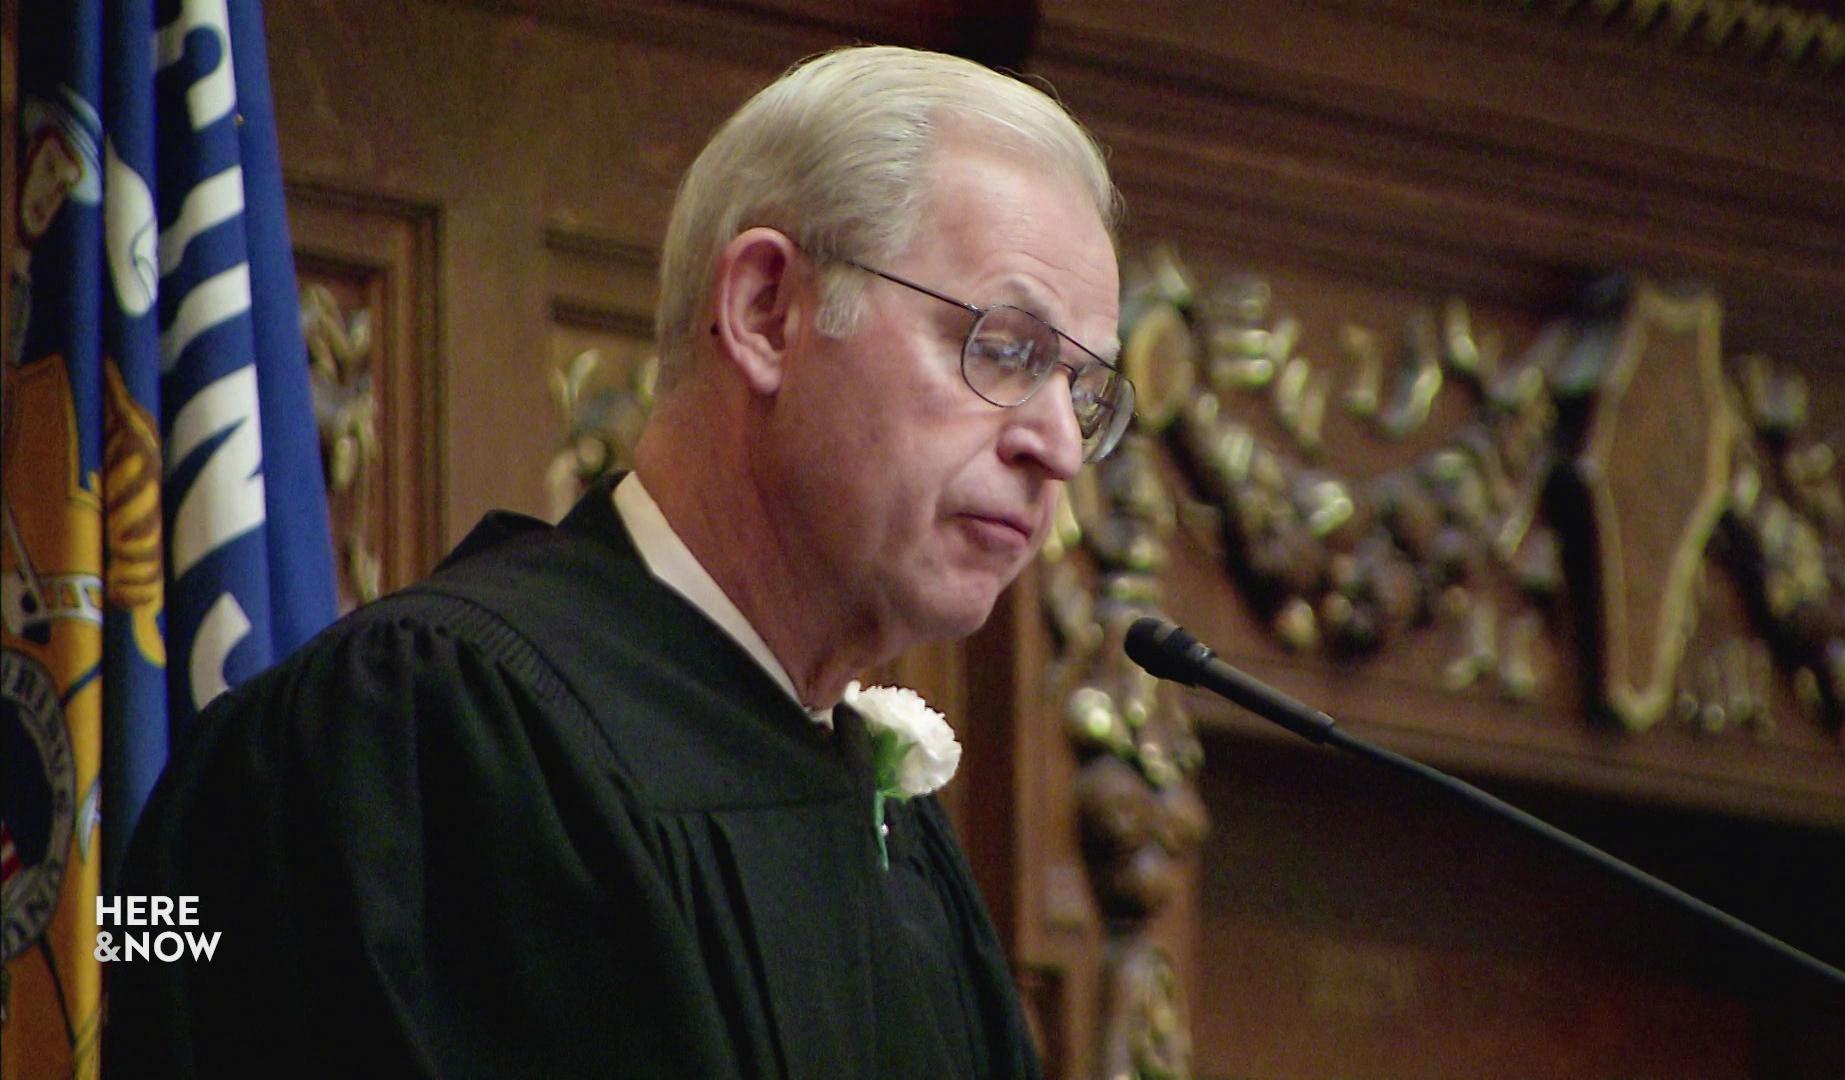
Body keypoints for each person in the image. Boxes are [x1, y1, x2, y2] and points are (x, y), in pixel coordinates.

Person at [105, 44, 1132, 1078]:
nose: (1055, 445)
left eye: (1086, 395)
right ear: (768, 311)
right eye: (1007, 350)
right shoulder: (410, 738)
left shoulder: (899, 843)